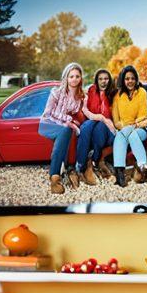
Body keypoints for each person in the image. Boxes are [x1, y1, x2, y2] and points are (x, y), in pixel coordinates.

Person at [39, 62, 84, 195]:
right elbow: (49, 112)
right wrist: (69, 121)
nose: (74, 79)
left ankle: (57, 175)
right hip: (47, 123)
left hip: (62, 126)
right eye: (71, 76)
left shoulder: (79, 97)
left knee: (66, 130)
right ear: (66, 78)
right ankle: (55, 177)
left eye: (77, 76)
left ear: (81, 78)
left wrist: (71, 122)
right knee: (66, 129)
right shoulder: (56, 92)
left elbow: (77, 114)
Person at [111, 65, 147, 188]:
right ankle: (127, 171)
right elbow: (116, 120)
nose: (130, 81)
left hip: (140, 129)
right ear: (123, 80)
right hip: (123, 129)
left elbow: (144, 116)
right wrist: (124, 127)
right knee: (122, 135)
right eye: (127, 78)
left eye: (132, 78)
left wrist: (134, 125)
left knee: (131, 134)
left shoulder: (142, 92)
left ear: (136, 79)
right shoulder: (117, 96)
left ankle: (127, 171)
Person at [76, 68, 116, 185]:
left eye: (106, 79)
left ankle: (93, 160)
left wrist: (106, 121)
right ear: (96, 80)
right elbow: (85, 110)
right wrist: (101, 117)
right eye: (100, 79)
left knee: (99, 128)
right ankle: (81, 163)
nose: (103, 81)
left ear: (110, 80)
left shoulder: (114, 93)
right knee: (86, 127)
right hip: (93, 120)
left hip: (109, 127)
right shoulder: (91, 91)